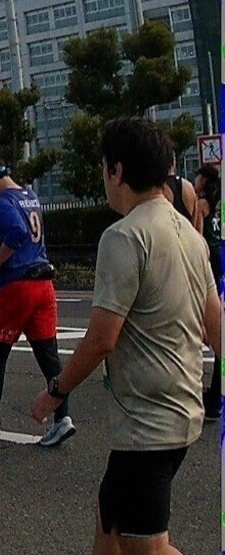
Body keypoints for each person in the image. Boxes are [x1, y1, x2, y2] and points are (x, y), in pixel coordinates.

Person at [29, 117, 220, 555]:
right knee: (109, 525)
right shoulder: (190, 237)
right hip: (180, 408)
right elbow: (216, 326)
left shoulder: (124, 236)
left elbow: (102, 338)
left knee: (145, 548)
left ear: (116, 171)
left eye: (104, 169)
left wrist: (55, 392)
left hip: (149, 425)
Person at [0, 157, 75, 447]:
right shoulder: (30, 195)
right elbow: (28, 238)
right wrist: (0, 249)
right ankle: (62, 418)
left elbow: (17, 234)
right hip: (44, 284)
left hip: (16, 286)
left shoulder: (2, 201)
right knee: (48, 356)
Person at [194, 165, 222, 419]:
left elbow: (196, 237)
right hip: (221, 262)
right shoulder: (219, 205)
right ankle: (215, 395)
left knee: (208, 327)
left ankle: (214, 398)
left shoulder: (201, 204)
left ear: (203, 180)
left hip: (209, 266)